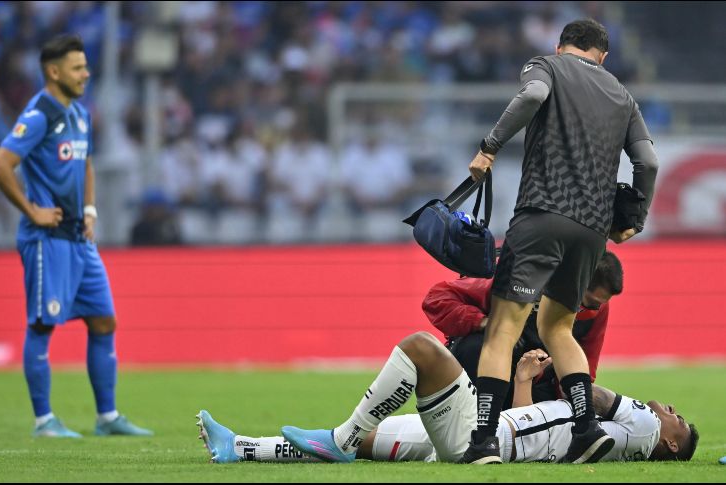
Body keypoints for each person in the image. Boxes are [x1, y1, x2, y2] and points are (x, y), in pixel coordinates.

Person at [462, 19, 659, 463]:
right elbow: (647, 161)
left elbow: (531, 97)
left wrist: (490, 146)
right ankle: (586, 429)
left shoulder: (545, 66)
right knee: (558, 327)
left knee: (502, 329)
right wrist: (636, 219)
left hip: (542, 215)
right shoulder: (622, 95)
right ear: (602, 56)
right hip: (591, 231)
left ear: (561, 45)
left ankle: (484, 441)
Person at [0, 34, 152, 438]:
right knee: (43, 325)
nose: (86, 74)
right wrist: (31, 211)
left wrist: (91, 210)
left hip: (79, 238)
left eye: (86, 66)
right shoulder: (39, 113)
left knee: (103, 320)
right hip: (47, 239)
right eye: (78, 68)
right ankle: (44, 421)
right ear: (53, 71)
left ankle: (107, 417)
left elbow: (87, 163)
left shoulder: (79, 114)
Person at [194, 336, 697, 464]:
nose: (670, 412)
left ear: (671, 445)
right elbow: (533, 424)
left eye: (681, 422)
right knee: (365, 439)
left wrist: (571, 363)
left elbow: (594, 390)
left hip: (475, 440)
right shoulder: (604, 434)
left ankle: (344, 439)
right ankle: (238, 447)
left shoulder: (645, 430)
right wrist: (523, 379)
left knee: (420, 348)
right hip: (491, 439)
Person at [425, 251, 623, 408]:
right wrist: (486, 323)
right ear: (575, 282)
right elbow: (437, 299)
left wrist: (575, 402)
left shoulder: (597, 309)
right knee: (478, 346)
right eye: (587, 302)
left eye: (596, 306)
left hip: (538, 381)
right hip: (484, 369)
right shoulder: (518, 277)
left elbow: (586, 364)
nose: (586, 310)